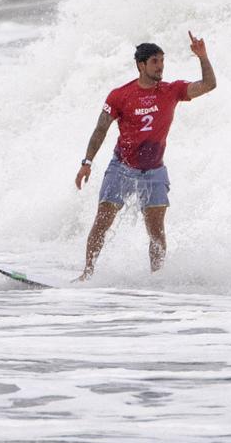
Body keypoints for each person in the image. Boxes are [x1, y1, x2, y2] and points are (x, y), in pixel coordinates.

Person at [73, 32, 216, 280]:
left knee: (156, 232)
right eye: (155, 62)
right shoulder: (120, 95)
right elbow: (101, 129)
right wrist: (87, 162)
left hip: (154, 170)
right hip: (122, 167)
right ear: (141, 65)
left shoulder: (172, 91)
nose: (160, 67)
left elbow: (208, 85)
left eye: (162, 61)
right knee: (103, 221)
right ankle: (87, 274)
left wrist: (202, 57)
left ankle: (156, 279)